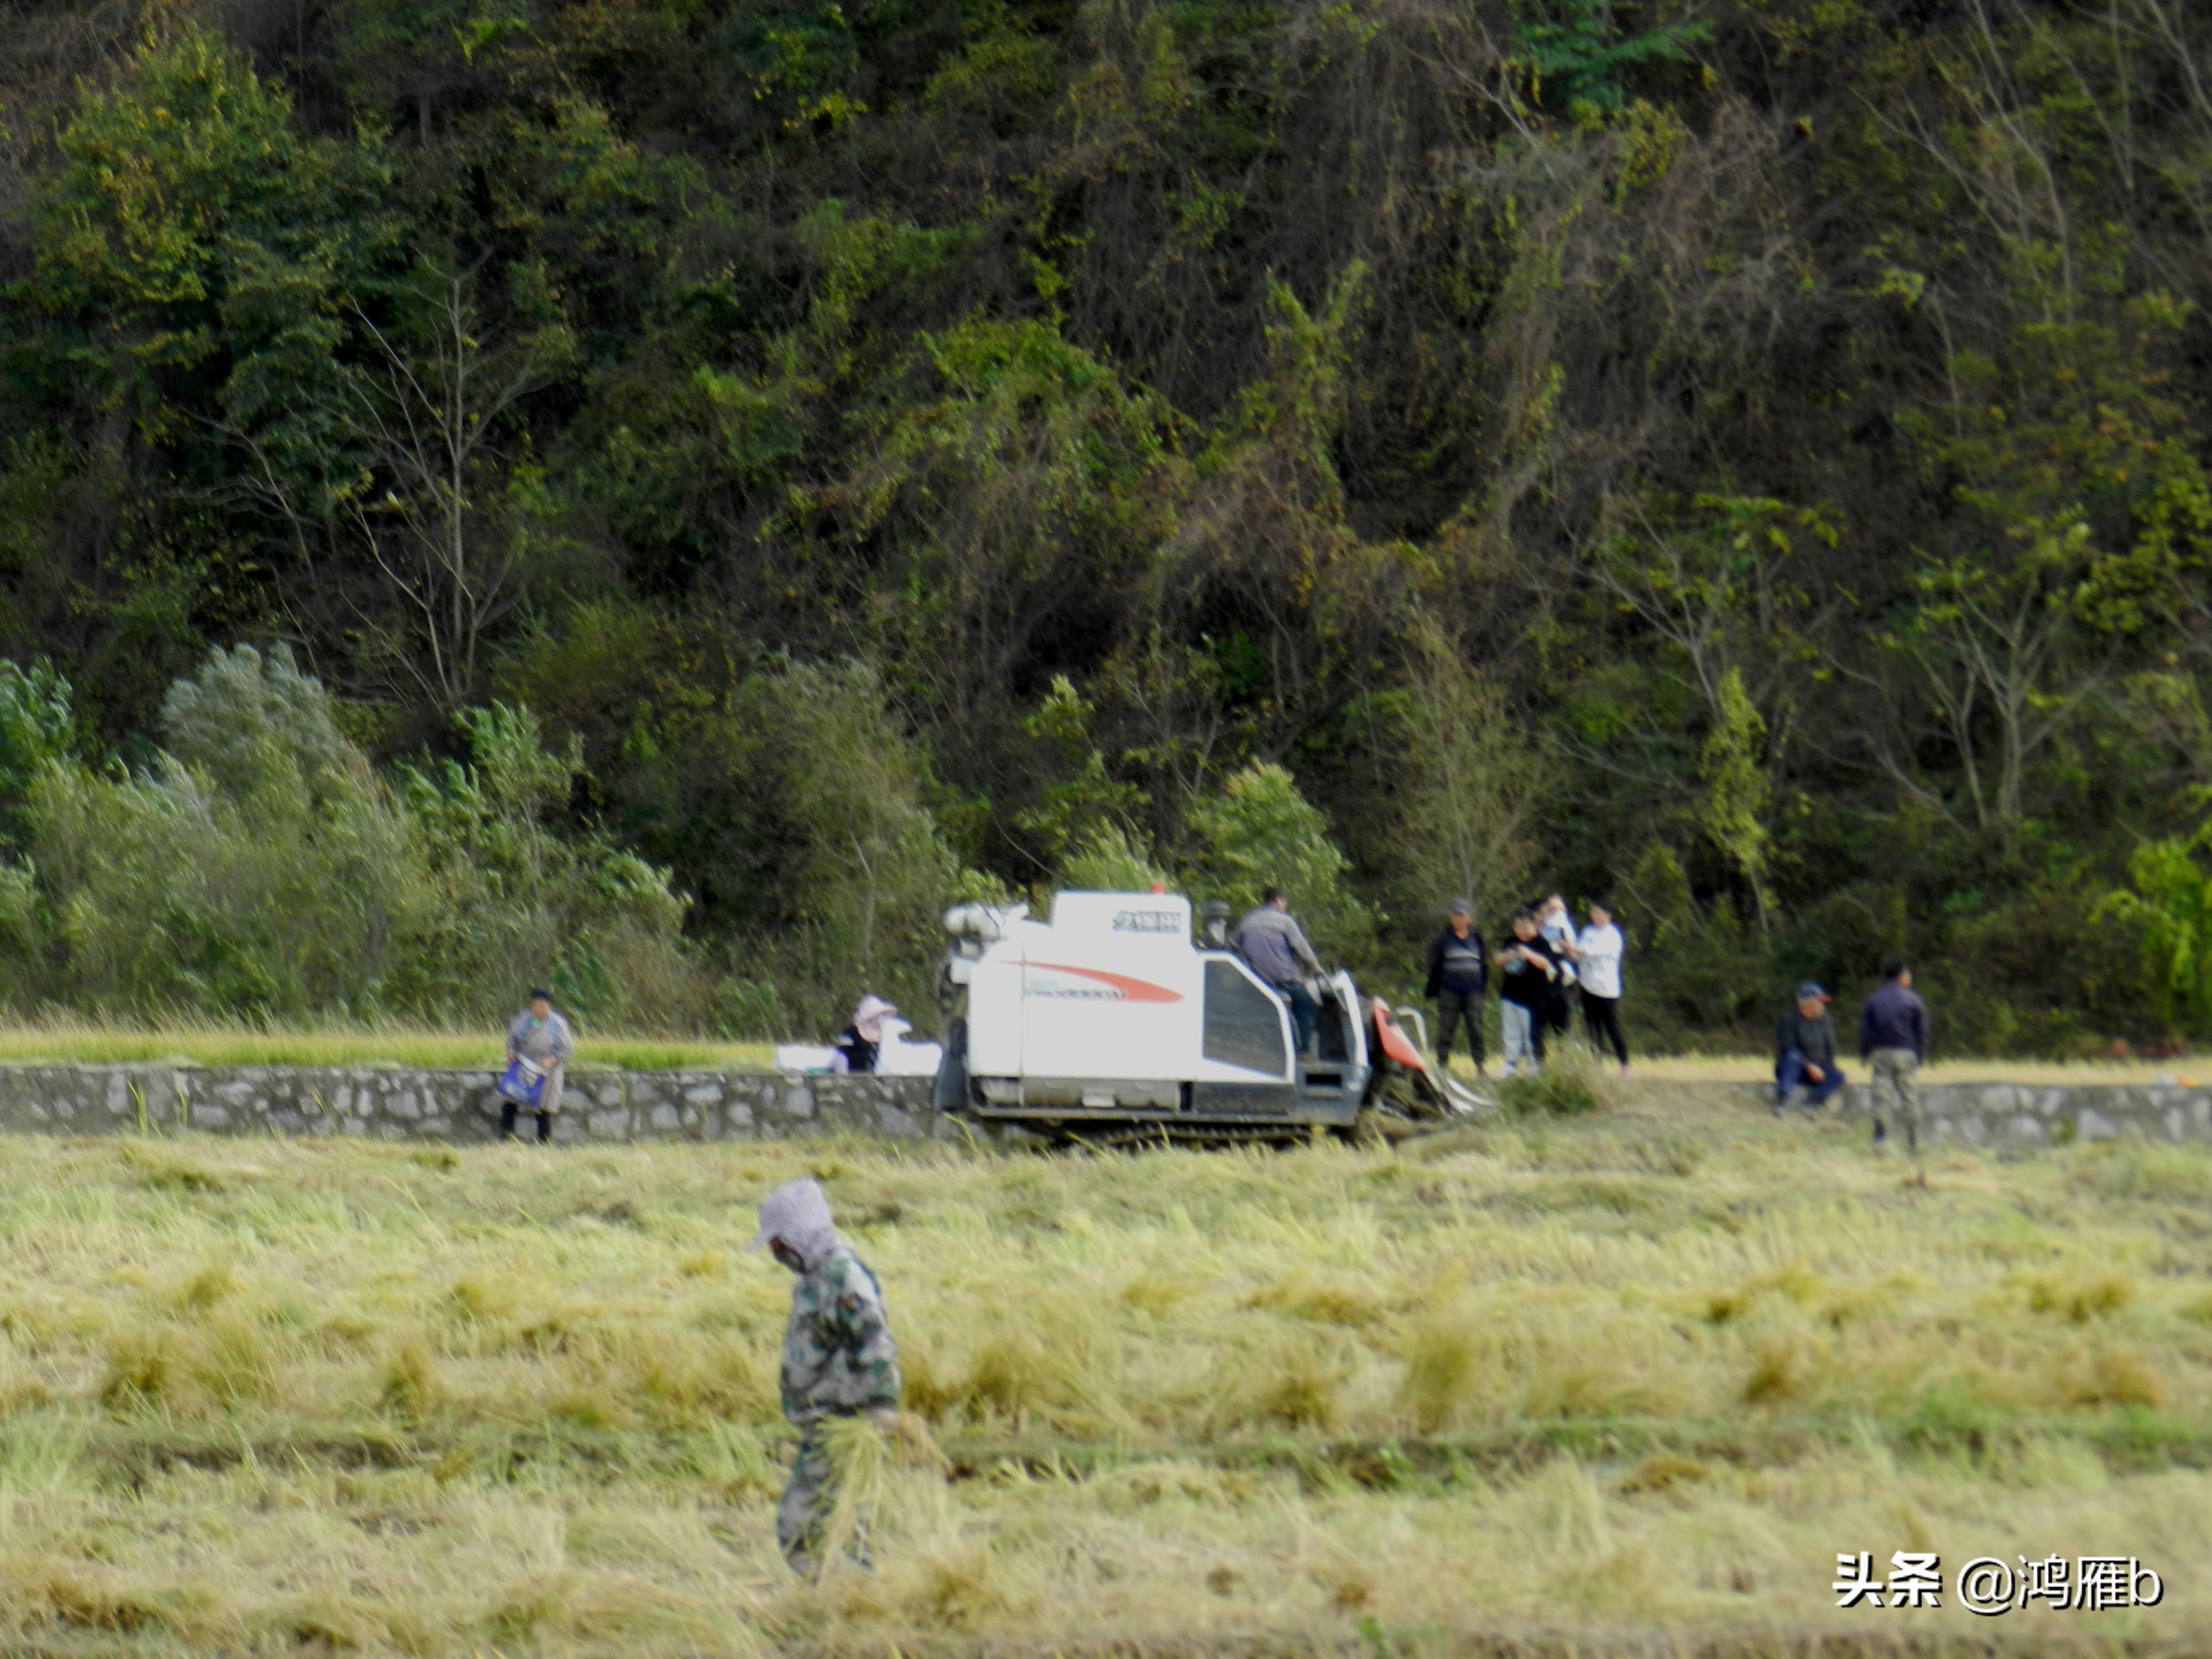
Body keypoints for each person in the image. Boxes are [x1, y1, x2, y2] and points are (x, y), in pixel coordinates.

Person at [752, 1177, 901, 1577]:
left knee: (802, 1525)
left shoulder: (843, 1278)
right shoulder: (816, 1279)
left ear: (799, 1236)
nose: (775, 1252)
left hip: (847, 1424)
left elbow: (876, 1339)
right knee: (841, 1523)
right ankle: (842, 1599)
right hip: (824, 1426)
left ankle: (838, 1600)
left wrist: (883, 1405)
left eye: (779, 1243)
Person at [1233, 885, 1324, 1055]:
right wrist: (1315, 966)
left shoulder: (1246, 921)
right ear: (1278, 901)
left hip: (1257, 983)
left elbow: (1231, 947)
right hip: (1285, 980)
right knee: (1306, 1005)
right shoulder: (1285, 921)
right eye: (1285, 903)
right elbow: (1301, 947)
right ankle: (1303, 1050)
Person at [1860, 958, 1930, 1152]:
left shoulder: (1874, 999)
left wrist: (1865, 1054)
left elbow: (1867, 1030)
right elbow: (1922, 1030)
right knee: (1909, 1095)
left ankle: (1880, 1136)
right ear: (1902, 977)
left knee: (1881, 1095)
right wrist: (1921, 1054)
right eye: (1908, 976)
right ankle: (1913, 1139)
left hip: (1882, 1052)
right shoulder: (1914, 999)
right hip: (1906, 1053)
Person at [1423, 899, 1489, 1077]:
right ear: (1451, 917)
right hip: (1449, 990)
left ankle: (1480, 1065)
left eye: (1462, 915)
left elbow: (1484, 963)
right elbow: (1431, 959)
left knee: (1475, 1027)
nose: (1458, 918)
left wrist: (1483, 986)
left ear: (1469, 917)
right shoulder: (1443, 938)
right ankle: (1442, 1064)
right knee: (1446, 1027)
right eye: (1456, 915)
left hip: (1473, 990)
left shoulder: (1477, 937)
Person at [502, 988, 575, 1144]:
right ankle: (506, 1138)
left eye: (543, 1006)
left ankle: (543, 1142)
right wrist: (510, 1051)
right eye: (536, 1006)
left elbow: (568, 1050)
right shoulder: (523, 1019)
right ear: (531, 1006)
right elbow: (512, 1039)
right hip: (524, 1067)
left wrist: (552, 1059)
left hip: (548, 1071)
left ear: (549, 1007)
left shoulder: (558, 1024)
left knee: (544, 1109)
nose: (539, 1009)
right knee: (511, 1101)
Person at [1493, 908, 1558, 1077]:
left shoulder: (1541, 943)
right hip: (1510, 994)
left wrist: (1529, 954)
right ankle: (1510, 1063)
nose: (1520, 931)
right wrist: (1509, 955)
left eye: (1524, 927)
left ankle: (1534, 1063)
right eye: (1517, 927)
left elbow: (1546, 964)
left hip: (1532, 998)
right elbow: (1497, 960)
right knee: (1510, 1031)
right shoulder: (1511, 941)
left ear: (1534, 925)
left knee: (1532, 1033)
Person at [1575, 901, 1629, 1073]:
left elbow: (1598, 951)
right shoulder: (1587, 931)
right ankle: (1596, 1064)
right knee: (1592, 1026)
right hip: (1587, 984)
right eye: (1594, 913)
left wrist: (1580, 950)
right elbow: (1579, 952)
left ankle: (1624, 1063)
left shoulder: (1613, 934)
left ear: (1608, 915)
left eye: (1600, 914)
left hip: (1606, 988)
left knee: (1611, 1026)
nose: (1596, 917)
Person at [1773, 982, 1841, 1114]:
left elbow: (1830, 1047)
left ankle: (1811, 1103)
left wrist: (1826, 1068)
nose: (1823, 1006)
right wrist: (1809, 1066)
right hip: (1793, 1068)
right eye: (1820, 1002)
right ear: (1809, 1004)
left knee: (1838, 1075)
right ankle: (1782, 1103)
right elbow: (1788, 1046)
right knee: (1793, 1057)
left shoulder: (1825, 1021)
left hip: (1817, 1071)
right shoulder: (1788, 1019)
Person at [1540, 894, 1579, 1047]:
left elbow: (1574, 956)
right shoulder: (1542, 925)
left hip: (1562, 979)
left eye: (1558, 908)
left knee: (1563, 1022)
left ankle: (1565, 1058)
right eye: (1552, 907)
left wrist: (1567, 948)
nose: (1554, 911)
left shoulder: (1567, 927)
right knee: (1541, 1020)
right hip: (1544, 977)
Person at [833, 994, 897, 1074]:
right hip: (852, 1077)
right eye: (877, 1016)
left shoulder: (879, 1035)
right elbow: (842, 1055)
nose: (880, 1019)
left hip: (869, 1079)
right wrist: (844, 1079)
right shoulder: (849, 1033)